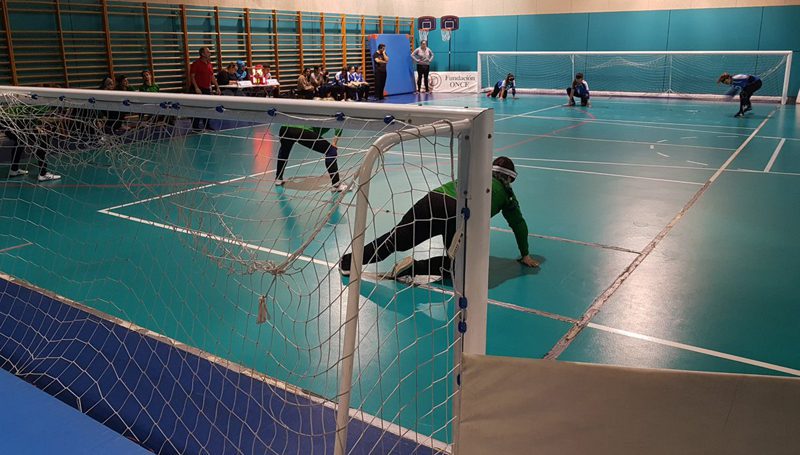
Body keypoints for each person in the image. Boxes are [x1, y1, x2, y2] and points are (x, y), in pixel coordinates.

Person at [339, 156, 539, 279]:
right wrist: (525, 254)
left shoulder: (473, 175)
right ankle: (413, 268)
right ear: (510, 178)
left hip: (433, 199)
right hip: (457, 214)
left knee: (396, 239)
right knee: (459, 266)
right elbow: (519, 225)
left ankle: (348, 261)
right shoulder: (508, 195)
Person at [274, 125, 349, 192]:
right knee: (331, 151)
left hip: (285, 128)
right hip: (303, 130)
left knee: (284, 150)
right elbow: (339, 125)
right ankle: (336, 185)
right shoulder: (333, 115)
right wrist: (334, 143)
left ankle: (278, 178)